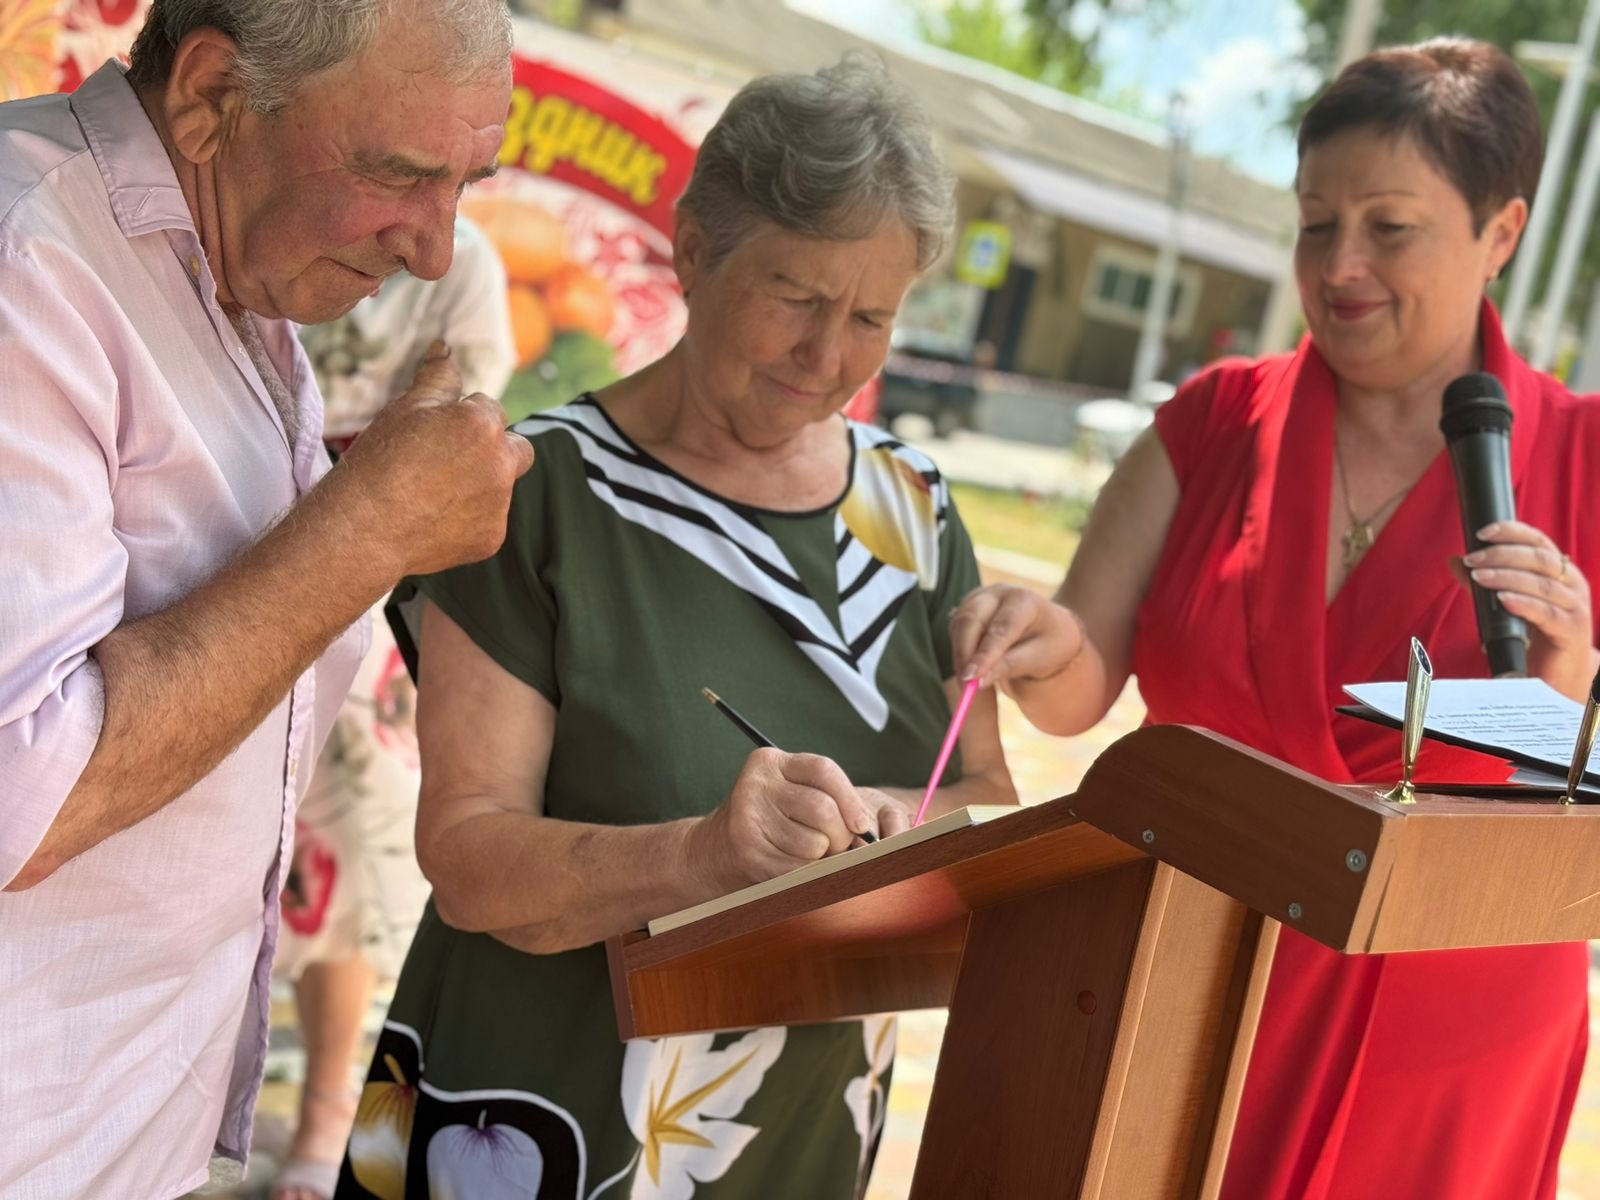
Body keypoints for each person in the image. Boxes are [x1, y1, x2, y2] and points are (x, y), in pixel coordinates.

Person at [334, 58, 1017, 1199]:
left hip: (794, 1129)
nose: (828, 358)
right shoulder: (534, 490)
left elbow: (984, 799)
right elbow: (468, 862)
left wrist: (905, 829)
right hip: (530, 1124)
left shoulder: (915, 510)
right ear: (695, 249)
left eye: (871, 319)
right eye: (797, 298)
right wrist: (706, 855)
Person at [951, 38, 1597, 1200]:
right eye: (1314, 223)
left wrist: (1561, 688)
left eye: (1388, 226)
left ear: (1500, 233)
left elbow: (1579, 798)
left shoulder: (1589, 461)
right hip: (1186, 992)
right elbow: (1079, 678)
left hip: (1444, 1043)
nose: (1339, 264)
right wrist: (1037, 643)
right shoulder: (1210, 424)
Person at [0, 1, 533, 1195]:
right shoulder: (25, 258)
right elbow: (18, 793)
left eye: (465, 184)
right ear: (209, 96)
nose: (435, 251)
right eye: (398, 173)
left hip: (113, 1123)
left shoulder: (220, 255)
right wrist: (369, 529)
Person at [271, 217, 518, 1200]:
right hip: (227, 539)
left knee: (348, 865)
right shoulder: (262, 218)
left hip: (374, 578)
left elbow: (463, 436)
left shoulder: (468, 271)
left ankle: (328, 1111)